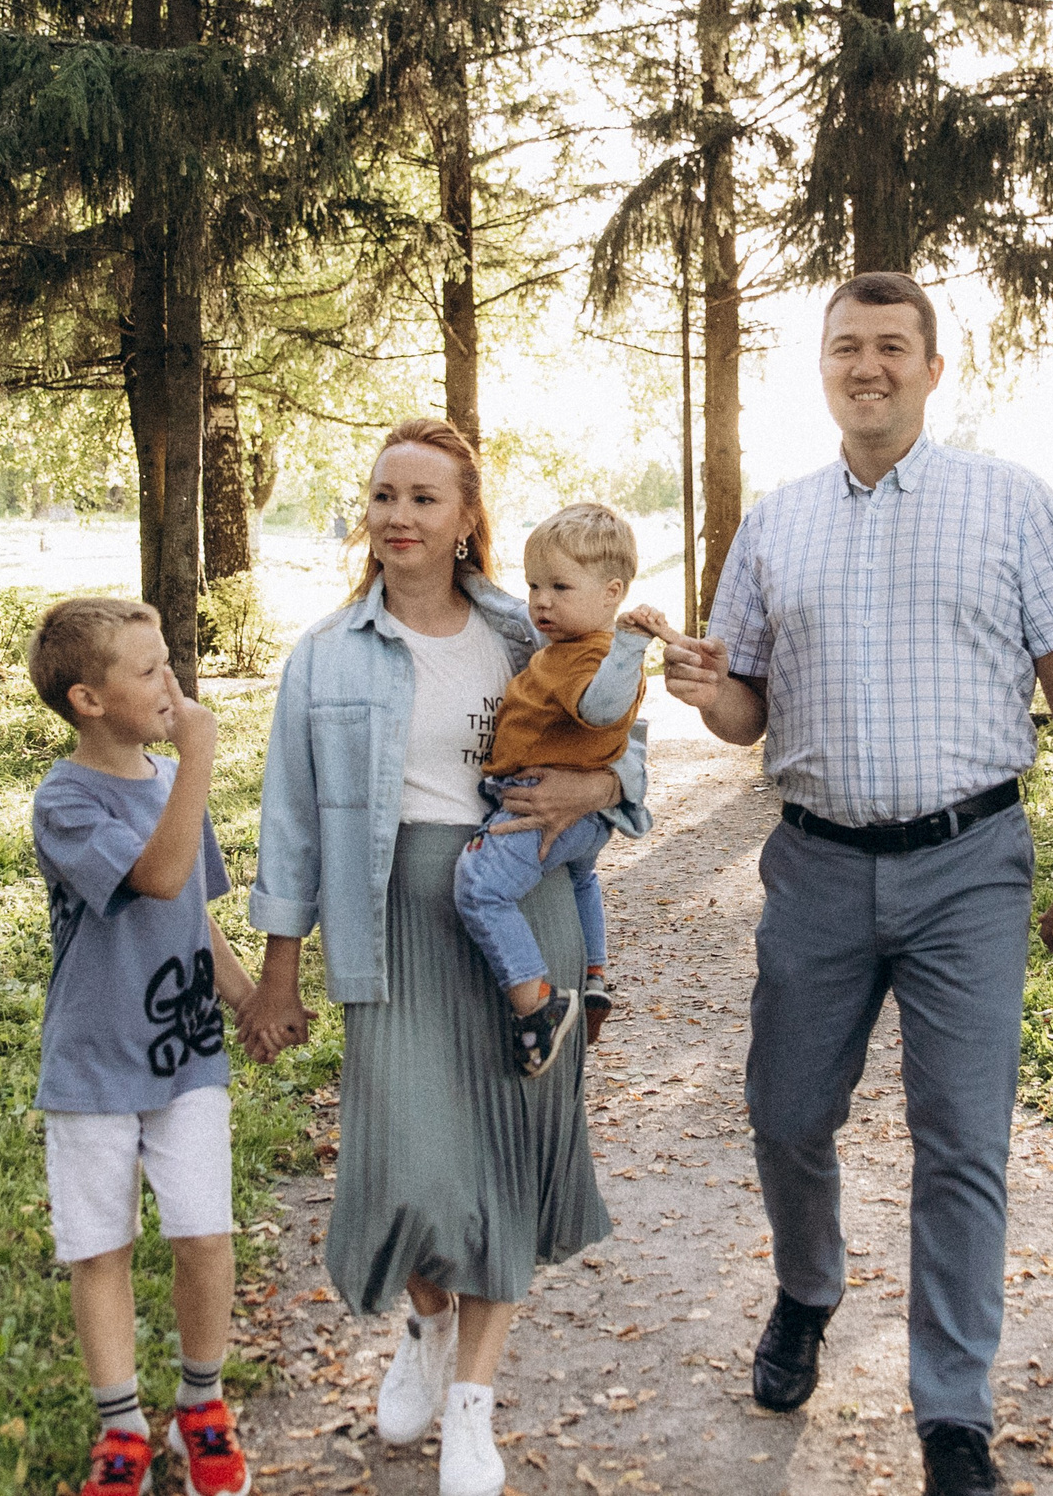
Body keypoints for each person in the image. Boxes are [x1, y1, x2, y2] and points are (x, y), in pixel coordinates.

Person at [658, 272, 1053, 1496]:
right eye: (843, 349)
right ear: (820, 368)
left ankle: (952, 1410)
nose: (865, 367)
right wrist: (716, 698)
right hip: (815, 865)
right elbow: (747, 710)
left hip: (970, 865)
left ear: (929, 365)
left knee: (960, 1142)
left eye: (888, 348)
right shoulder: (776, 522)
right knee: (786, 1115)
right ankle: (809, 1289)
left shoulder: (1009, 503)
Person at [238, 419, 647, 1496]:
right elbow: (290, 822)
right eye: (383, 496)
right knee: (414, 1172)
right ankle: (421, 1330)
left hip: (521, 908)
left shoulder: (529, 630)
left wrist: (599, 788)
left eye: (424, 499)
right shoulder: (327, 655)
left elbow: (625, 738)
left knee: (504, 1161)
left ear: (469, 518)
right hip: (393, 928)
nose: (398, 517)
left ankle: (474, 1402)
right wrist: (279, 970)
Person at [25, 597, 258, 1496]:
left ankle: (201, 1404)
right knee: (102, 1245)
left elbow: (191, 909)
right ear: (89, 698)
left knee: (204, 1231)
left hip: (187, 1049)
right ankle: (120, 1421)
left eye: (169, 661)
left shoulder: (171, 777)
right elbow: (158, 875)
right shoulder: (67, 799)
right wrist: (199, 759)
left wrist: (244, 995)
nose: (173, 682)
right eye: (149, 668)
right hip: (92, 1063)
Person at [449, 501, 654, 1076]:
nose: (541, 600)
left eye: (560, 587)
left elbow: (602, 708)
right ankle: (593, 977)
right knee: (582, 877)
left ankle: (536, 1001)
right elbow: (508, 607)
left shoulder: (595, 656)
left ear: (612, 592)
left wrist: (632, 648)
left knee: (480, 884)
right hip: (581, 823)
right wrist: (465, 575)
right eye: (535, 584)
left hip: (548, 806)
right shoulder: (564, 642)